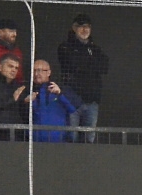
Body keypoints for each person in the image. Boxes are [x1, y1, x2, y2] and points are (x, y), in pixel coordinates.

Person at [56, 13, 108, 142]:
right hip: (72, 100)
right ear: (74, 28)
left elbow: (105, 67)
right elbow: (73, 65)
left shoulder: (95, 48)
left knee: (89, 140)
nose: (85, 30)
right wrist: (90, 63)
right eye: (81, 27)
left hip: (92, 101)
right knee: (71, 138)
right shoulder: (65, 47)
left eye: (87, 27)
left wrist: (85, 63)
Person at [27, 60, 79, 143]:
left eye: (40, 70)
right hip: (35, 142)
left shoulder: (60, 88)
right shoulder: (27, 90)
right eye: (34, 70)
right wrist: (26, 102)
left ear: (48, 72)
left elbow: (73, 109)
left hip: (59, 141)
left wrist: (60, 94)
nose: (36, 74)